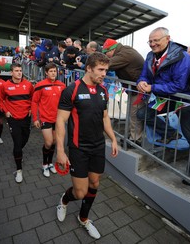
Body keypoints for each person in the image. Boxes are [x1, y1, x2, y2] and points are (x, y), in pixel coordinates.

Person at [55, 52, 118, 240]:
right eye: (100, 69)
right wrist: (60, 151)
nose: (104, 74)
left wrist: (113, 139)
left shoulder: (103, 91)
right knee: (80, 192)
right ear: (88, 68)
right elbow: (60, 121)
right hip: (78, 148)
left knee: (95, 183)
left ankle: (84, 218)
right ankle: (64, 200)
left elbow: (105, 118)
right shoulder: (72, 90)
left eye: (106, 70)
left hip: (98, 146)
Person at [136, 27, 190, 144]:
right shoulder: (150, 55)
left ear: (167, 39)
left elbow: (179, 85)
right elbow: (144, 75)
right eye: (150, 41)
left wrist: (152, 88)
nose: (153, 44)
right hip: (165, 95)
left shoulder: (182, 56)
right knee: (143, 114)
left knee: (189, 131)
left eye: (156, 40)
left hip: (183, 99)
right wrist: (141, 82)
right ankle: (171, 133)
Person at [102, 38, 145, 144]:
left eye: (106, 53)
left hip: (139, 89)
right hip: (134, 89)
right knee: (133, 113)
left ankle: (135, 139)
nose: (106, 55)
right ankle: (133, 136)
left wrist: (92, 65)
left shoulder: (125, 54)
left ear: (112, 50)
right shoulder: (123, 51)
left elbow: (108, 64)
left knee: (136, 114)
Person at [0, 63, 34, 183]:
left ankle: (18, 152)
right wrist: (6, 111)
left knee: (25, 138)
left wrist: (31, 109)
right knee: (17, 144)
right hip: (13, 118)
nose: (19, 72)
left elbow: (33, 98)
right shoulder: (5, 85)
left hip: (26, 118)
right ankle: (19, 170)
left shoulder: (28, 84)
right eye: (16, 70)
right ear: (11, 73)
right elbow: (1, 99)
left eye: (20, 70)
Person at [31, 63, 66, 177]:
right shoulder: (40, 85)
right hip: (45, 118)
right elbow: (34, 102)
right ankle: (44, 164)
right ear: (46, 72)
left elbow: (65, 102)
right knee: (48, 142)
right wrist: (35, 118)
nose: (53, 73)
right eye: (50, 71)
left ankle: (50, 163)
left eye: (54, 71)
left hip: (58, 119)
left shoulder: (62, 85)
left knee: (55, 142)